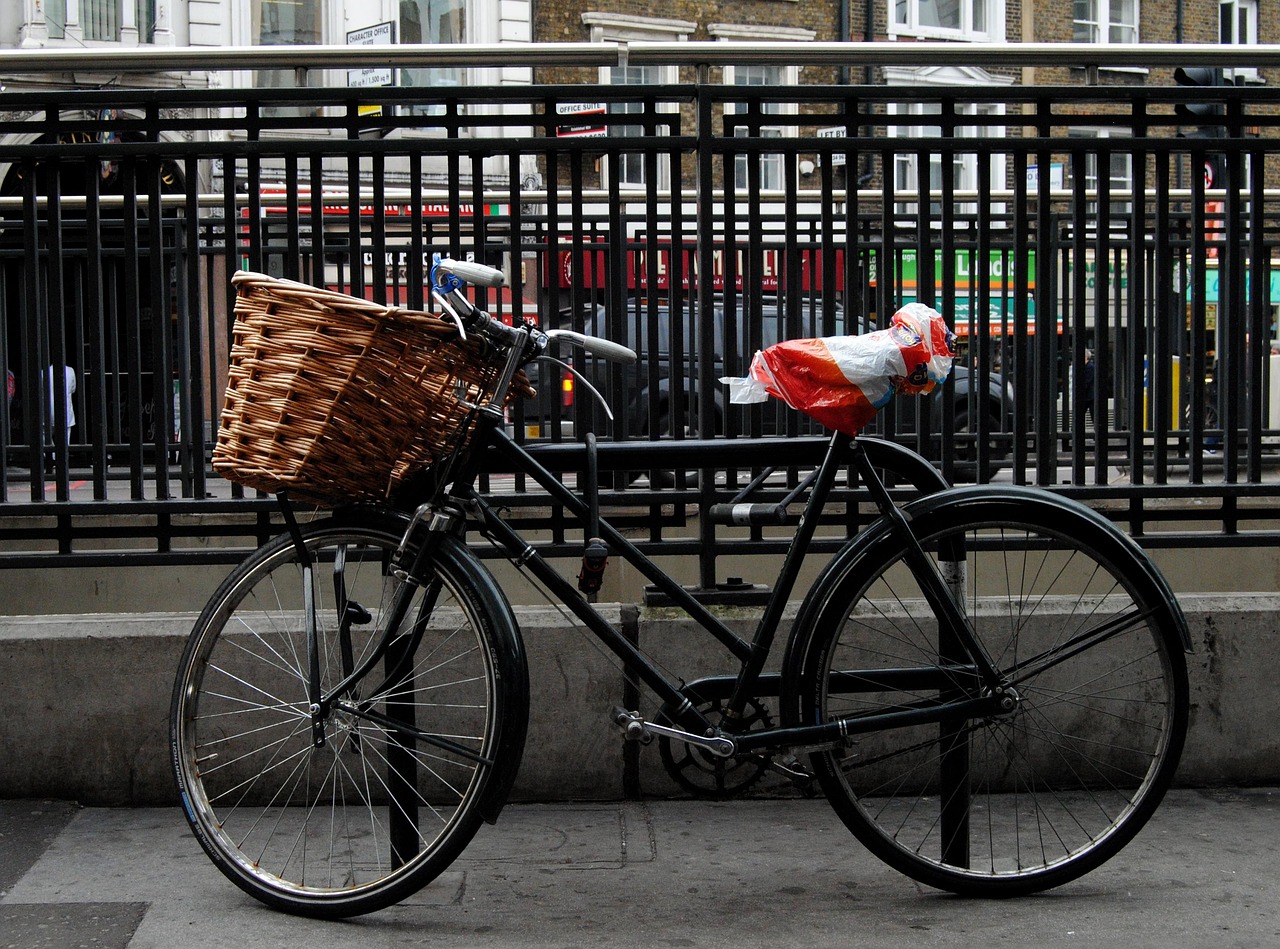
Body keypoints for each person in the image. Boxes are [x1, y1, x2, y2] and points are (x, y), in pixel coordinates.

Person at [45, 363, 77, 449]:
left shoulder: (44, 372)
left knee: (45, 435)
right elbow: (73, 389)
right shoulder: (70, 371)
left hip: (48, 410)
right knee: (65, 438)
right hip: (65, 410)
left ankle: (51, 456)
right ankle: (61, 457)